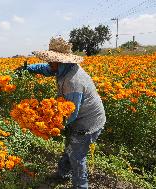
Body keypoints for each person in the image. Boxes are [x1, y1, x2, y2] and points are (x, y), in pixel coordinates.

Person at [15, 37, 106, 189]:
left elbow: (71, 114)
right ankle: (63, 175)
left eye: (52, 60)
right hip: (80, 117)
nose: (49, 63)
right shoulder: (63, 68)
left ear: (62, 61)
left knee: (77, 157)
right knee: (70, 147)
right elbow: (44, 68)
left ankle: (80, 186)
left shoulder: (73, 82)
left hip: (88, 123)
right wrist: (28, 68)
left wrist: (47, 125)